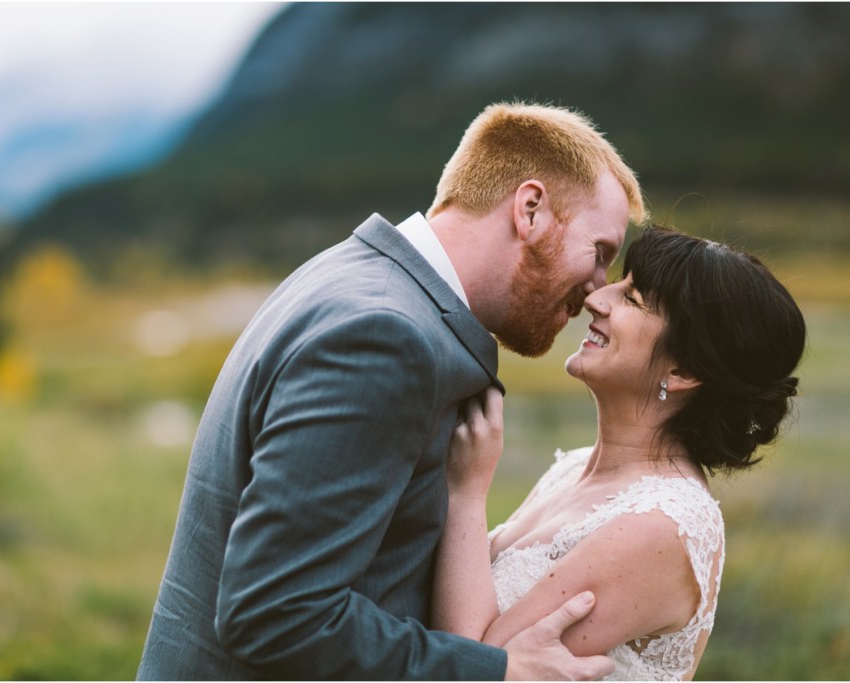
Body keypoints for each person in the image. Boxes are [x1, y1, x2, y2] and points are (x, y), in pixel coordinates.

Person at [136, 101, 646, 680]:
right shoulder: (385, 337)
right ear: (530, 210)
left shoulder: (348, 275)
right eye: (601, 253)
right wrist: (496, 672)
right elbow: (276, 613)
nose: (598, 291)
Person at [432, 225, 807, 680]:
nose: (596, 298)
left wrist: (466, 492)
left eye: (631, 298)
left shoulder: (661, 527)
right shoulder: (571, 468)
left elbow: (465, 669)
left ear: (684, 368)